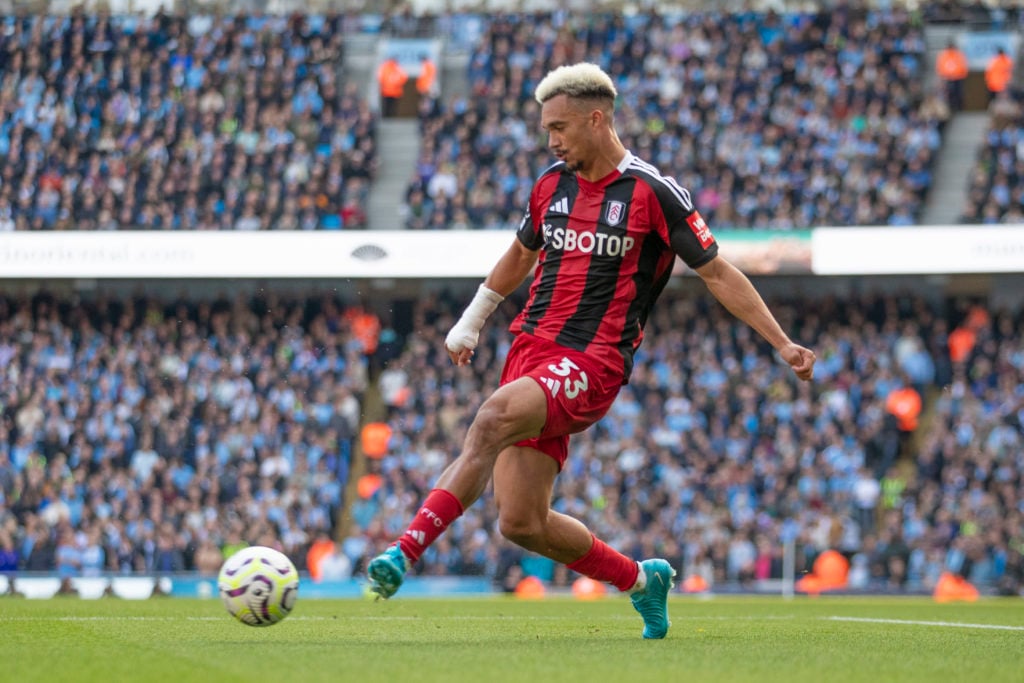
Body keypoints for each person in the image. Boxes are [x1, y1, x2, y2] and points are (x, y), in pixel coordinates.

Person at [366, 63, 816, 639]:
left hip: (593, 361)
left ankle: (404, 551)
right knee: (521, 523)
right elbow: (520, 255)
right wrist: (471, 321)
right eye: (545, 128)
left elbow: (719, 273)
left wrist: (780, 342)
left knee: (490, 419)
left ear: (596, 119)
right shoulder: (551, 184)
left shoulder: (654, 193)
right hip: (530, 350)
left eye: (559, 126)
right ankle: (639, 581)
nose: (551, 140)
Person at [935, 40, 968, 111]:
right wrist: (944, 76)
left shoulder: (958, 55)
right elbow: (940, 67)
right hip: (948, 78)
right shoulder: (944, 55)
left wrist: (957, 74)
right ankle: (951, 107)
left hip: (957, 78)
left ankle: (958, 107)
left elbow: (962, 66)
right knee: (949, 94)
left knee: (958, 93)